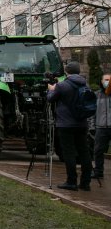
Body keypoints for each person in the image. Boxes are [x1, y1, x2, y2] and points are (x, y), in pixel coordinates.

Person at [47, 61, 93, 191]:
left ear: (67, 71)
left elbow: (50, 99)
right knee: (84, 152)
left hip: (66, 124)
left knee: (69, 152)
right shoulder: (85, 84)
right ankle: (85, 183)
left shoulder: (63, 86)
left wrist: (51, 90)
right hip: (82, 123)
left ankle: (71, 181)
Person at [92, 73, 111, 179]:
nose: (107, 82)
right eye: (105, 80)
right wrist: (92, 126)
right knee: (98, 150)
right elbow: (92, 112)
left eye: (109, 80)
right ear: (101, 81)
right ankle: (98, 172)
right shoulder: (97, 95)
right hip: (101, 127)